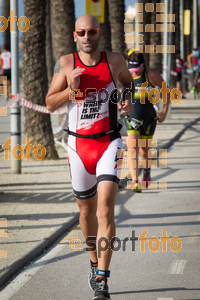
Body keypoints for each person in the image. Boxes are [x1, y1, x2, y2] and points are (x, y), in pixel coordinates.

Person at [46, 14, 134, 300]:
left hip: (109, 142)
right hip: (78, 147)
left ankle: (102, 281)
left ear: (99, 33)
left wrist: (127, 98)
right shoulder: (67, 63)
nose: (87, 36)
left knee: (105, 209)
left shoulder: (115, 60)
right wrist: (71, 89)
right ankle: (94, 263)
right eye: (81, 32)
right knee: (86, 213)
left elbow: (128, 83)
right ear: (75, 36)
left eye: (92, 31)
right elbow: (49, 103)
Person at [122, 51, 170, 193]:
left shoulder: (152, 75)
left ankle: (147, 172)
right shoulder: (126, 74)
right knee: (132, 149)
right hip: (130, 118)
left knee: (144, 151)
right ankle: (135, 181)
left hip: (148, 119)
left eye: (136, 70)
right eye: (131, 70)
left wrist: (164, 112)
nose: (134, 73)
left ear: (143, 65)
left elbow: (166, 92)